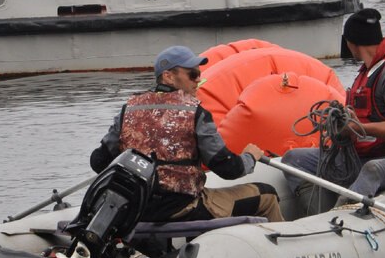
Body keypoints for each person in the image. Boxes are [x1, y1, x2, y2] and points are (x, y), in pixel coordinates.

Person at [90, 45, 285, 223]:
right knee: (267, 195)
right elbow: (228, 169)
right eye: (192, 74)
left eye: (199, 74)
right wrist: (250, 157)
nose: (199, 79)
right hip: (183, 208)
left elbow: (98, 161)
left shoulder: (128, 110)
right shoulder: (195, 113)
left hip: (136, 209)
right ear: (168, 76)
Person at [281, 8, 385, 211]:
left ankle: (342, 213)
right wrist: (342, 125)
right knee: (293, 159)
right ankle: (317, 215)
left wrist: (356, 127)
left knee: (372, 169)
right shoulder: (366, 73)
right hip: (358, 157)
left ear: (351, 42)